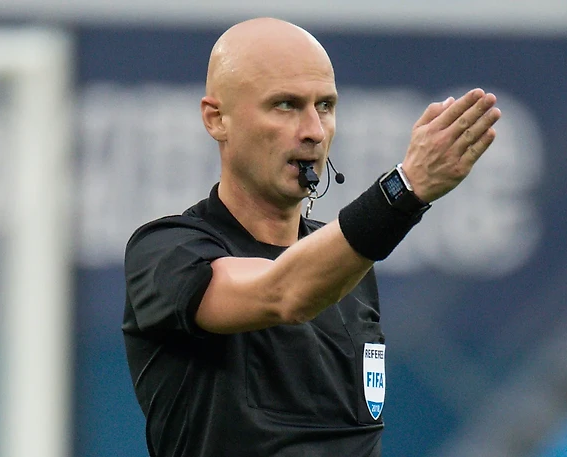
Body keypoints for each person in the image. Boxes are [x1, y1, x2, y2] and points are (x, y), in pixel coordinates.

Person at [122, 17, 501, 457]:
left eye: (324, 106)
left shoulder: (350, 268)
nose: (314, 131)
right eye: (285, 105)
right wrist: (403, 189)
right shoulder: (166, 252)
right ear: (217, 118)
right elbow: (283, 293)